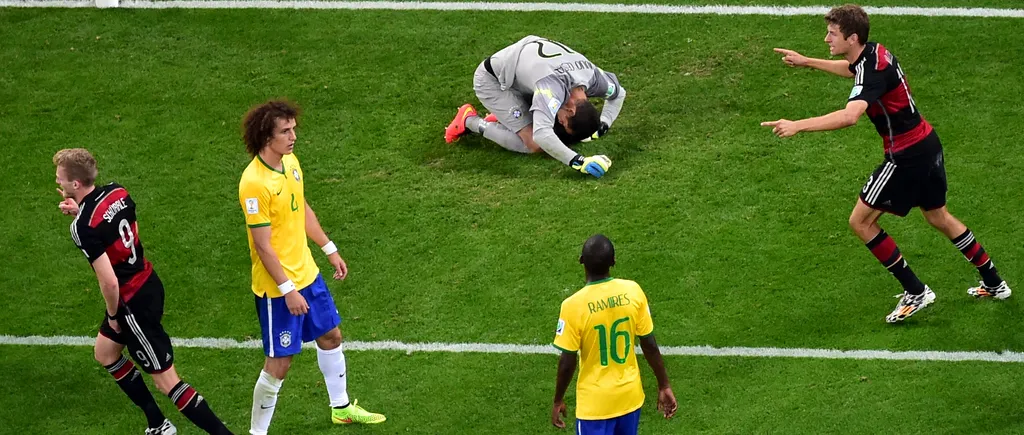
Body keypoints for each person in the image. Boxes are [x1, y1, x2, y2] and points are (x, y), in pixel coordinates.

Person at [761, 4, 1011, 323]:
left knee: (860, 222)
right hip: (928, 144)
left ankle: (916, 292)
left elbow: (850, 116)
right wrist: (807, 61)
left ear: (852, 37)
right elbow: (854, 72)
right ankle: (994, 282)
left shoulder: (872, 72)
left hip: (905, 156)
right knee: (939, 216)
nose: (826, 39)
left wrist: (798, 125)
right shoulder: (875, 53)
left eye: (832, 34)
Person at [54, 148, 233, 435]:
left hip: (129, 302)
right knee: (105, 353)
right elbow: (110, 223)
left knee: (167, 381)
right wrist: (81, 210)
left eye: (60, 179)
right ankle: (157, 423)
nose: (57, 182)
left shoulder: (83, 227)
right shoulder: (117, 192)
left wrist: (114, 316)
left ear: (76, 184)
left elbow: (109, 282)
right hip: (148, 281)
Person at [238, 100, 386, 435]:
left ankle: (341, 408)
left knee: (331, 336)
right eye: (285, 131)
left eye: (293, 129)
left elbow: (300, 205)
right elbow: (262, 246)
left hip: (307, 273)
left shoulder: (289, 162)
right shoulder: (255, 183)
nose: (293, 136)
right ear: (266, 137)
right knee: (279, 364)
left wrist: (328, 248)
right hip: (278, 287)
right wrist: (288, 290)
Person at [445, 35, 625, 178]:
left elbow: (619, 93)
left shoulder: (592, 78)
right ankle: (469, 120)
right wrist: (578, 161)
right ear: (571, 110)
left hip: (524, 71)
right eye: (563, 121)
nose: (559, 121)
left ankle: (506, 118)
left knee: (557, 134)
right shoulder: (551, 87)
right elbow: (541, 135)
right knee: (533, 143)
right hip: (493, 81)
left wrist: (604, 124)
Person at [551, 234, 677, 434]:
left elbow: (568, 362)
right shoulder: (633, 291)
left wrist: (558, 399)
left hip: (595, 406)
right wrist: (664, 384)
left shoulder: (572, 306)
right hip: (630, 398)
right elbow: (649, 344)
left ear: (581, 261)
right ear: (613, 262)